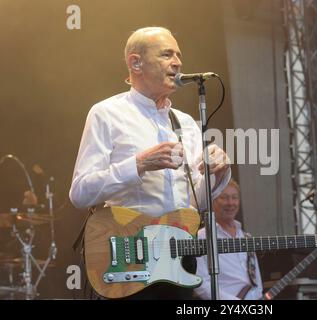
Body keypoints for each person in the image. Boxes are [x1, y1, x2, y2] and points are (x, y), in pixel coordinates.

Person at [69, 27, 231, 299]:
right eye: (167, 54)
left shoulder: (186, 124)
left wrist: (219, 172)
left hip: (179, 259)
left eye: (179, 54)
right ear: (136, 63)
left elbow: (196, 203)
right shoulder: (107, 113)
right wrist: (139, 164)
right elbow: (80, 192)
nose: (178, 62)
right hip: (129, 259)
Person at [194, 179, 264, 300]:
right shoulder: (201, 237)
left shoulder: (246, 237)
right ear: (212, 201)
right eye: (224, 197)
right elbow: (200, 283)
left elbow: (257, 281)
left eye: (234, 197)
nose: (230, 203)